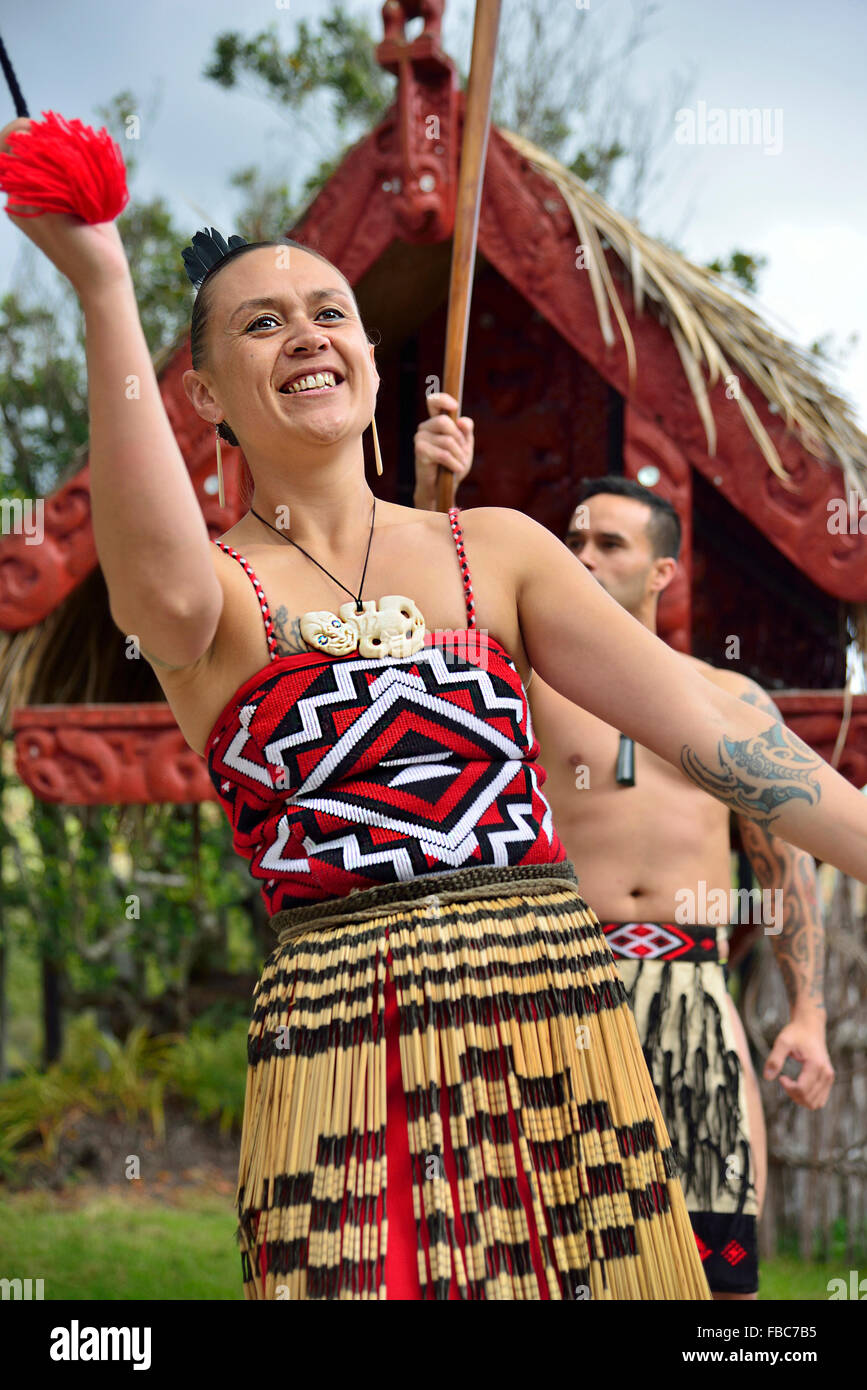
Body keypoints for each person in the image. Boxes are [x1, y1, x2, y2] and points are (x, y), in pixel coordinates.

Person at [7, 123, 866, 1302]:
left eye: (329, 310)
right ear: (204, 394)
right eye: (262, 321)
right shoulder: (211, 594)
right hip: (345, 1052)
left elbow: (715, 732)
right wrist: (104, 281)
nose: (306, 330)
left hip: (558, 1027)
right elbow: (146, 570)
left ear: (366, 352)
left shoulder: (497, 551)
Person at [415, 412, 835, 1301]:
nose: (582, 555)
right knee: (559, 1264)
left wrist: (806, 1012)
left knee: (718, 1274)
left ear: (660, 571)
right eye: (572, 541)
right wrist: (432, 496)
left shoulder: (728, 698)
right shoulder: (513, 683)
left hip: (694, 996)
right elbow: (426, 636)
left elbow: (784, 868)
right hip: (563, 989)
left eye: (608, 542)